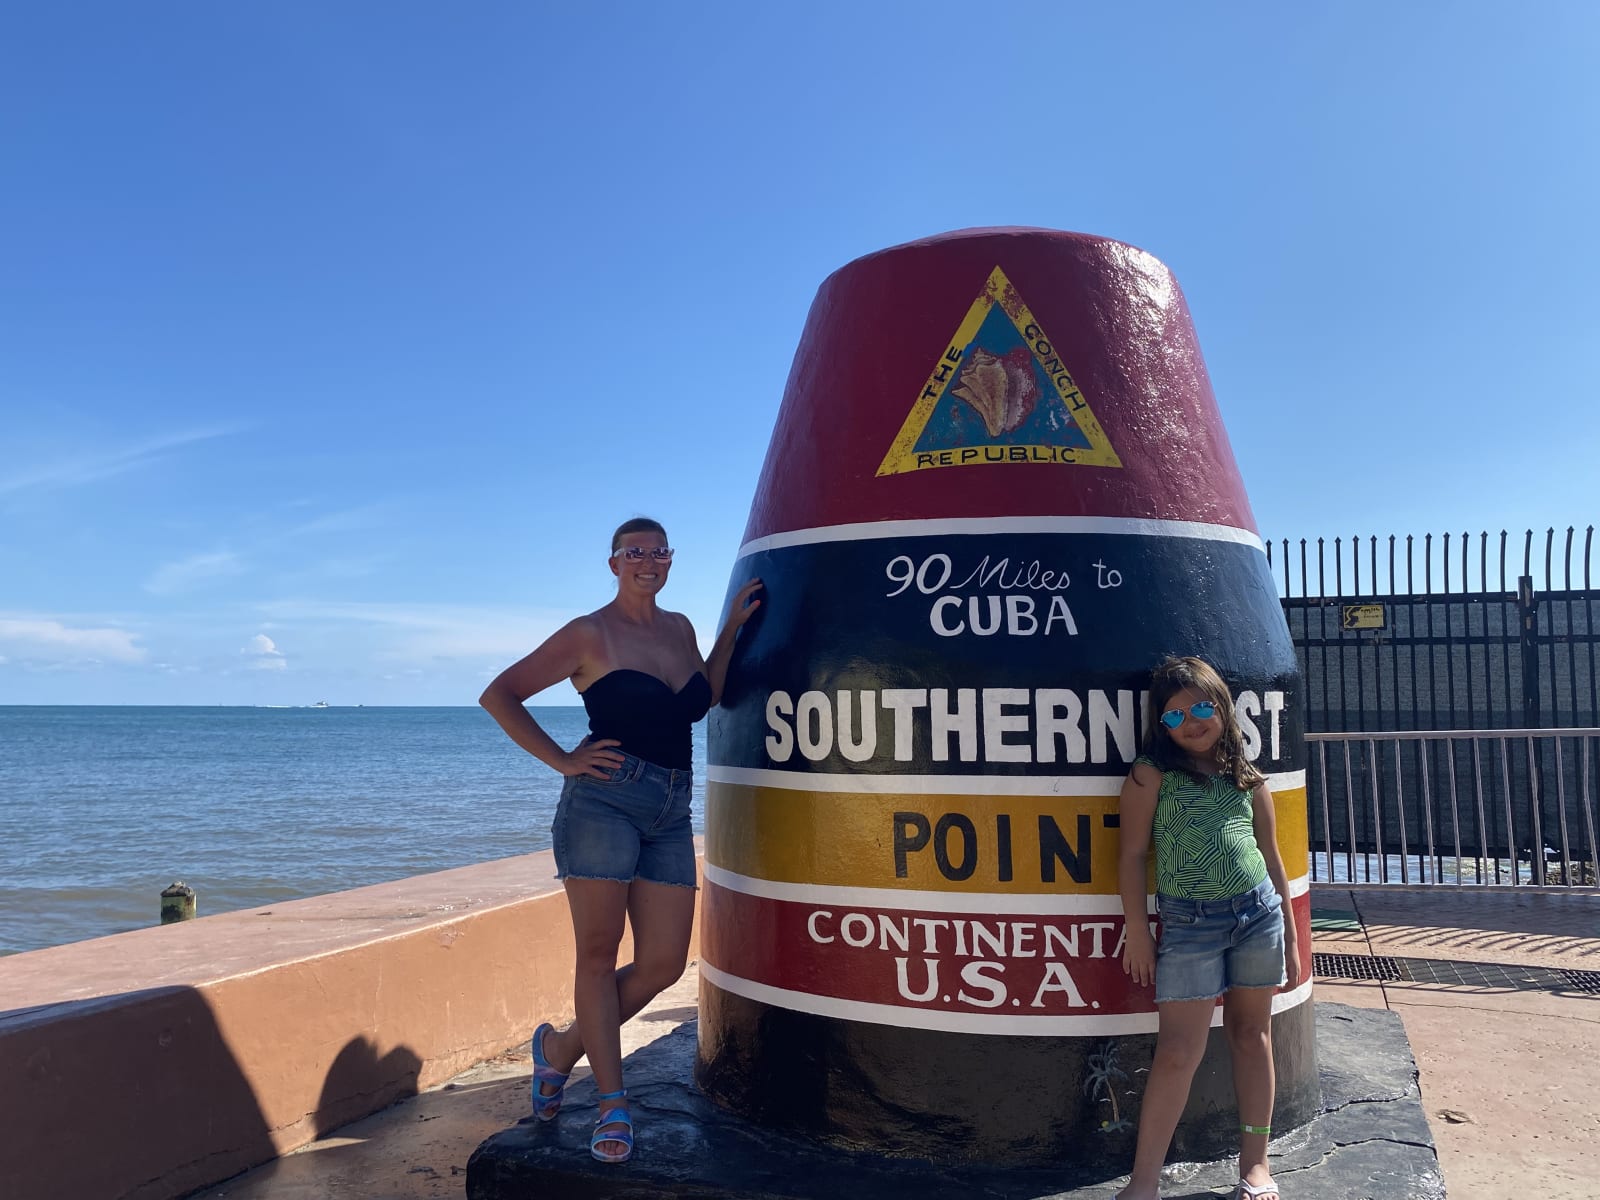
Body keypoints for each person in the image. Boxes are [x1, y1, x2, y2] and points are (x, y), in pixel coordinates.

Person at [479, 517, 762, 1165]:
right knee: (598, 957)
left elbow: (705, 696)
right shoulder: (589, 633)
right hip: (603, 802)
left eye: (659, 552)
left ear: (670, 561)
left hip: (671, 807)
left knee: (664, 963)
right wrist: (563, 760)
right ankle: (612, 1103)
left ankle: (558, 1051)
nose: (648, 561)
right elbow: (501, 695)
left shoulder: (679, 628)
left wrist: (731, 631)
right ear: (614, 563)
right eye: (635, 552)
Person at [1112, 656, 1300, 1200]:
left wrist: (1291, 937)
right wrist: (1137, 929)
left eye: (1200, 708)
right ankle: (1144, 1181)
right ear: (1161, 725)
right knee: (1178, 1051)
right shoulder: (1151, 774)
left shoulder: (1246, 776)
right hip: (1188, 924)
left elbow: (1272, 857)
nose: (1190, 722)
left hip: (1258, 916)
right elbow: (1131, 856)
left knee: (1252, 1036)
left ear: (1221, 706)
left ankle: (1256, 1165)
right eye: (1174, 715)